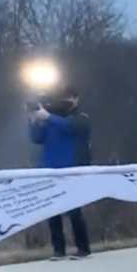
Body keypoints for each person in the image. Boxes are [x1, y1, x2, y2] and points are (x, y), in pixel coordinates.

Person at [29, 85, 93, 261]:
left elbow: (73, 128)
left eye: (69, 97)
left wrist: (48, 117)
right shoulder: (52, 119)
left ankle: (83, 248)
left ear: (76, 98)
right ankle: (59, 250)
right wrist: (35, 120)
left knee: (74, 210)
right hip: (50, 168)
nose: (65, 101)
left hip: (72, 167)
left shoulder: (80, 117)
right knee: (53, 210)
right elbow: (36, 138)